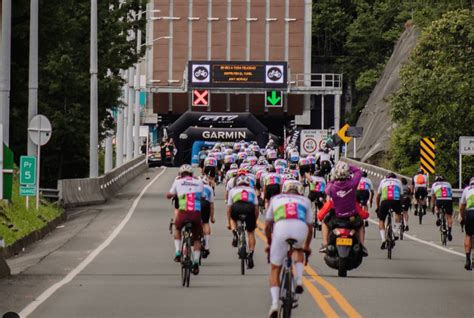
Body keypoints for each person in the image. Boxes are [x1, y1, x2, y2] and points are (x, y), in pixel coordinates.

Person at [265, 180, 313, 318]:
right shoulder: (305, 201)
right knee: (298, 250)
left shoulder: (276, 199)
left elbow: (268, 225)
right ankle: (298, 280)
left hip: (281, 229)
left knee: (275, 269)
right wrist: (307, 246)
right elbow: (310, 228)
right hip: (300, 228)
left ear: (284, 190)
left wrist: (269, 243)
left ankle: (274, 304)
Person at [319, 162, 367, 255]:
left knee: (324, 222)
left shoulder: (331, 187)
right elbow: (358, 172)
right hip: (351, 216)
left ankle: (325, 244)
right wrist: (349, 165)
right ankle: (362, 245)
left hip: (336, 217)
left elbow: (326, 191)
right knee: (361, 224)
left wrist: (332, 179)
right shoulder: (353, 183)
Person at [166, 165, 204, 275]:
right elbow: (202, 196)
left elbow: (170, 194)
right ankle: (196, 262)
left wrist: (170, 195)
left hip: (183, 212)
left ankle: (178, 252)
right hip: (196, 213)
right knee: (197, 238)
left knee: (177, 228)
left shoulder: (178, 182)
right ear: (192, 174)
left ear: (180, 174)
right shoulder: (199, 182)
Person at [226, 175, 259, 269]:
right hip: (249, 208)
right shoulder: (252, 190)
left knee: (233, 219)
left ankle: (235, 233)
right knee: (251, 232)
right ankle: (251, 253)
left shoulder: (233, 190)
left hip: (237, 207)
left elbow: (229, 208)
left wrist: (229, 222)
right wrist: (255, 220)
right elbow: (256, 208)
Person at [376, 173, 403, 249]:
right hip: (395, 201)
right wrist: (400, 206)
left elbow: (378, 196)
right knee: (398, 214)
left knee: (381, 220)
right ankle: (395, 232)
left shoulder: (383, 181)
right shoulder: (398, 181)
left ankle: (383, 239)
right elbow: (401, 196)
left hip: (385, 202)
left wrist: (378, 208)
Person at [431, 175, 454, 241]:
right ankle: (449, 232)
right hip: (448, 200)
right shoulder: (448, 184)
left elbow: (433, 196)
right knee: (449, 217)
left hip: (440, 199)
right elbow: (451, 194)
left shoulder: (434, 184)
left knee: (436, 206)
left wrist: (433, 205)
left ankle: (438, 218)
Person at [460, 177, 474, 270]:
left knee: (468, 235)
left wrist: (463, 217)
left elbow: (461, 207)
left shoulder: (466, 189)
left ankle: (468, 259)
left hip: (470, 213)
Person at [201, 176, 215, 258]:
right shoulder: (209, 188)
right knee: (206, 223)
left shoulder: (194, 186)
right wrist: (212, 217)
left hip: (195, 203)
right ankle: (206, 245)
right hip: (205, 204)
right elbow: (211, 205)